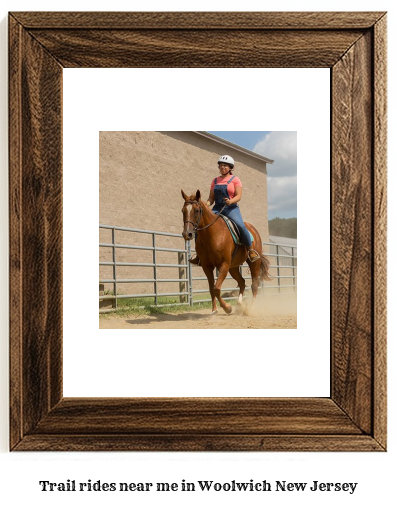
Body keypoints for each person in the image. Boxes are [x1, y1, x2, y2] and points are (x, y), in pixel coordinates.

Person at [189, 154, 261, 265]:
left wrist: (231, 201)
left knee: (241, 226)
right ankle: (199, 255)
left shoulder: (235, 180)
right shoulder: (215, 181)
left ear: (230, 167)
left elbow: (239, 196)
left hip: (231, 208)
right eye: (221, 166)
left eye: (225, 166)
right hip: (217, 208)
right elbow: (211, 197)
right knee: (200, 226)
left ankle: (251, 250)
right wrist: (208, 204)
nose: (222, 168)